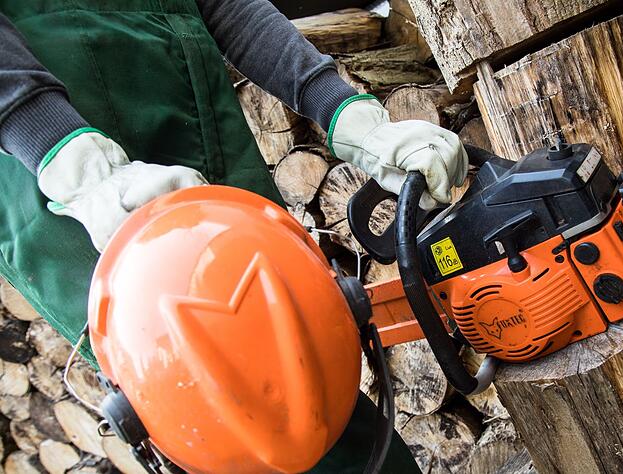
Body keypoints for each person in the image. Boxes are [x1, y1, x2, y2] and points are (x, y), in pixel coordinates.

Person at [0, 0, 467, 471]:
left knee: (318, 396)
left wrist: (346, 113)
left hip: (191, 116)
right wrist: (72, 161)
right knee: (236, 422)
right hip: (64, 184)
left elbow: (228, 6)